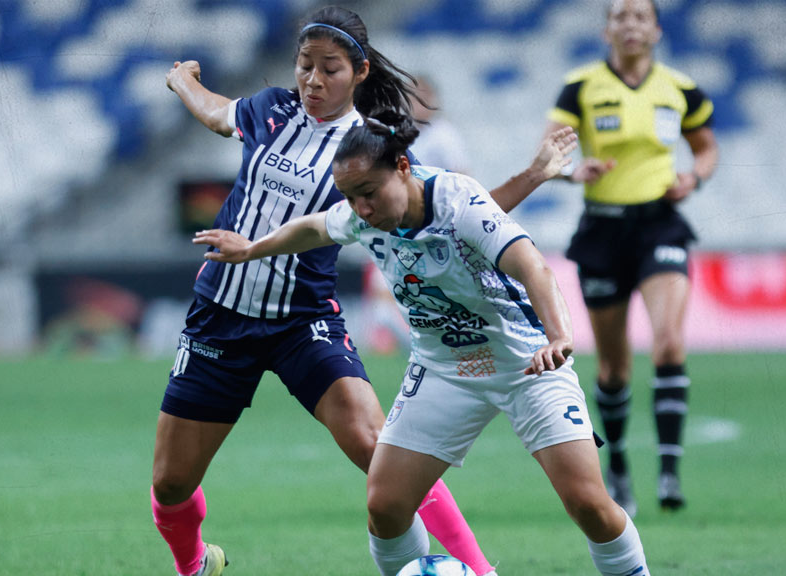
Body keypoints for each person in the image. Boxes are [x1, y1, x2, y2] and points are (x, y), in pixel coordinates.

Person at [154, 6, 573, 576]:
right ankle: (195, 564)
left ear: (359, 72)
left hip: (304, 322)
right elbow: (218, 116)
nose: (313, 80)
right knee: (172, 482)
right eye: (306, 66)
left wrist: (534, 172)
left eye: (329, 68)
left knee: (381, 449)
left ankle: (476, 570)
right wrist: (185, 83)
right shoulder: (270, 109)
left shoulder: (370, 149)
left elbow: (460, 212)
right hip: (220, 317)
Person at [193, 110, 648, 576]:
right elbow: (313, 227)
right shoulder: (360, 215)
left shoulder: (458, 199)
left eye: (368, 194)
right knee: (386, 505)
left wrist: (559, 336)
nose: (361, 209)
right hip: (444, 370)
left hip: (526, 363)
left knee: (588, 503)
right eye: (351, 198)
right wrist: (252, 248)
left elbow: (534, 268)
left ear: (404, 169)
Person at [538, 0, 720, 516]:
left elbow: (706, 147)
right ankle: (618, 463)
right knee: (614, 366)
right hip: (603, 229)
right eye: (621, 16)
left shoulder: (680, 90)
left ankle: (668, 471)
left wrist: (695, 177)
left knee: (668, 342)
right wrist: (575, 172)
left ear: (656, 29)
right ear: (606, 29)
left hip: (660, 222)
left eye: (641, 16)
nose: (631, 24)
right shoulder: (581, 86)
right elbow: (549, 151)